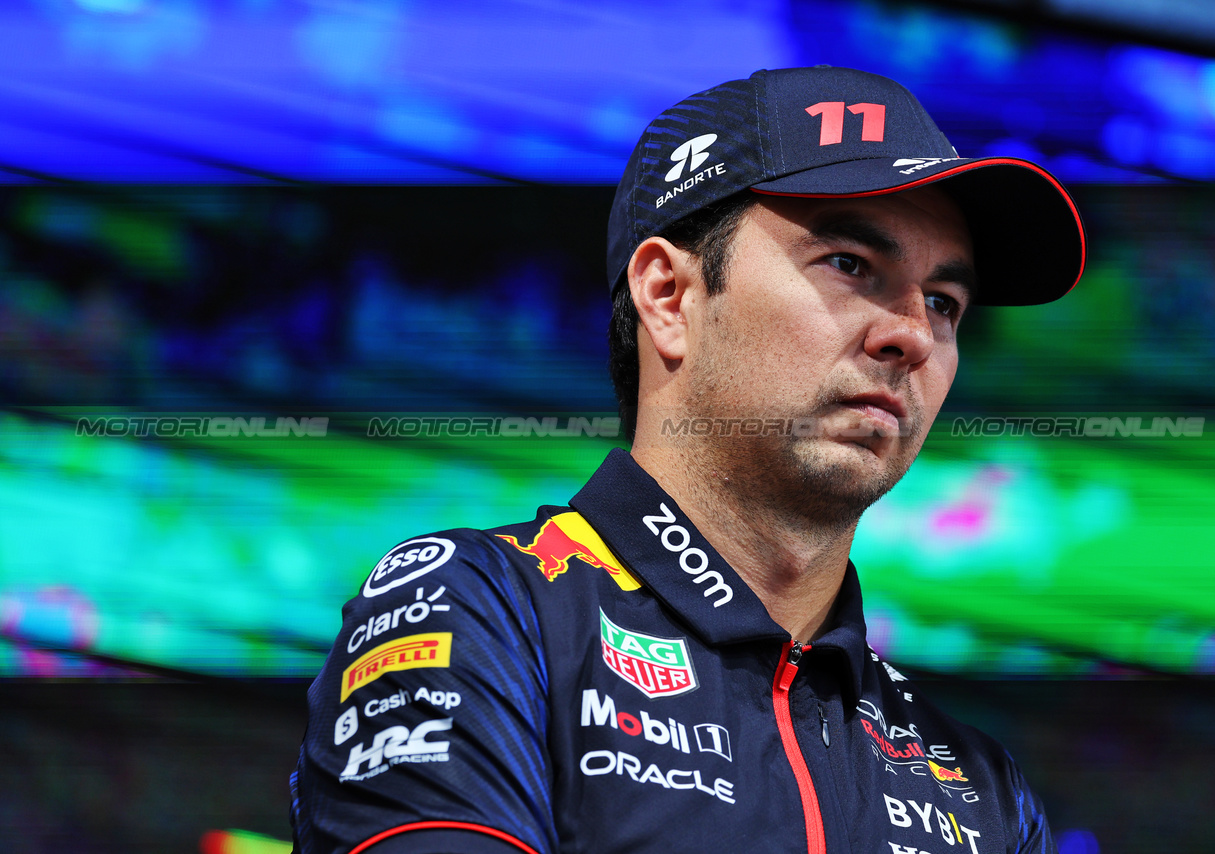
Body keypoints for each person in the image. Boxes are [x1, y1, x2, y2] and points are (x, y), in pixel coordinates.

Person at [290, 66, 1086, 854]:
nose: (912, 335)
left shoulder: (981, 794)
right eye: (848, 264)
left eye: (944, 303)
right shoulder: (480, 609)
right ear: (669, 297)